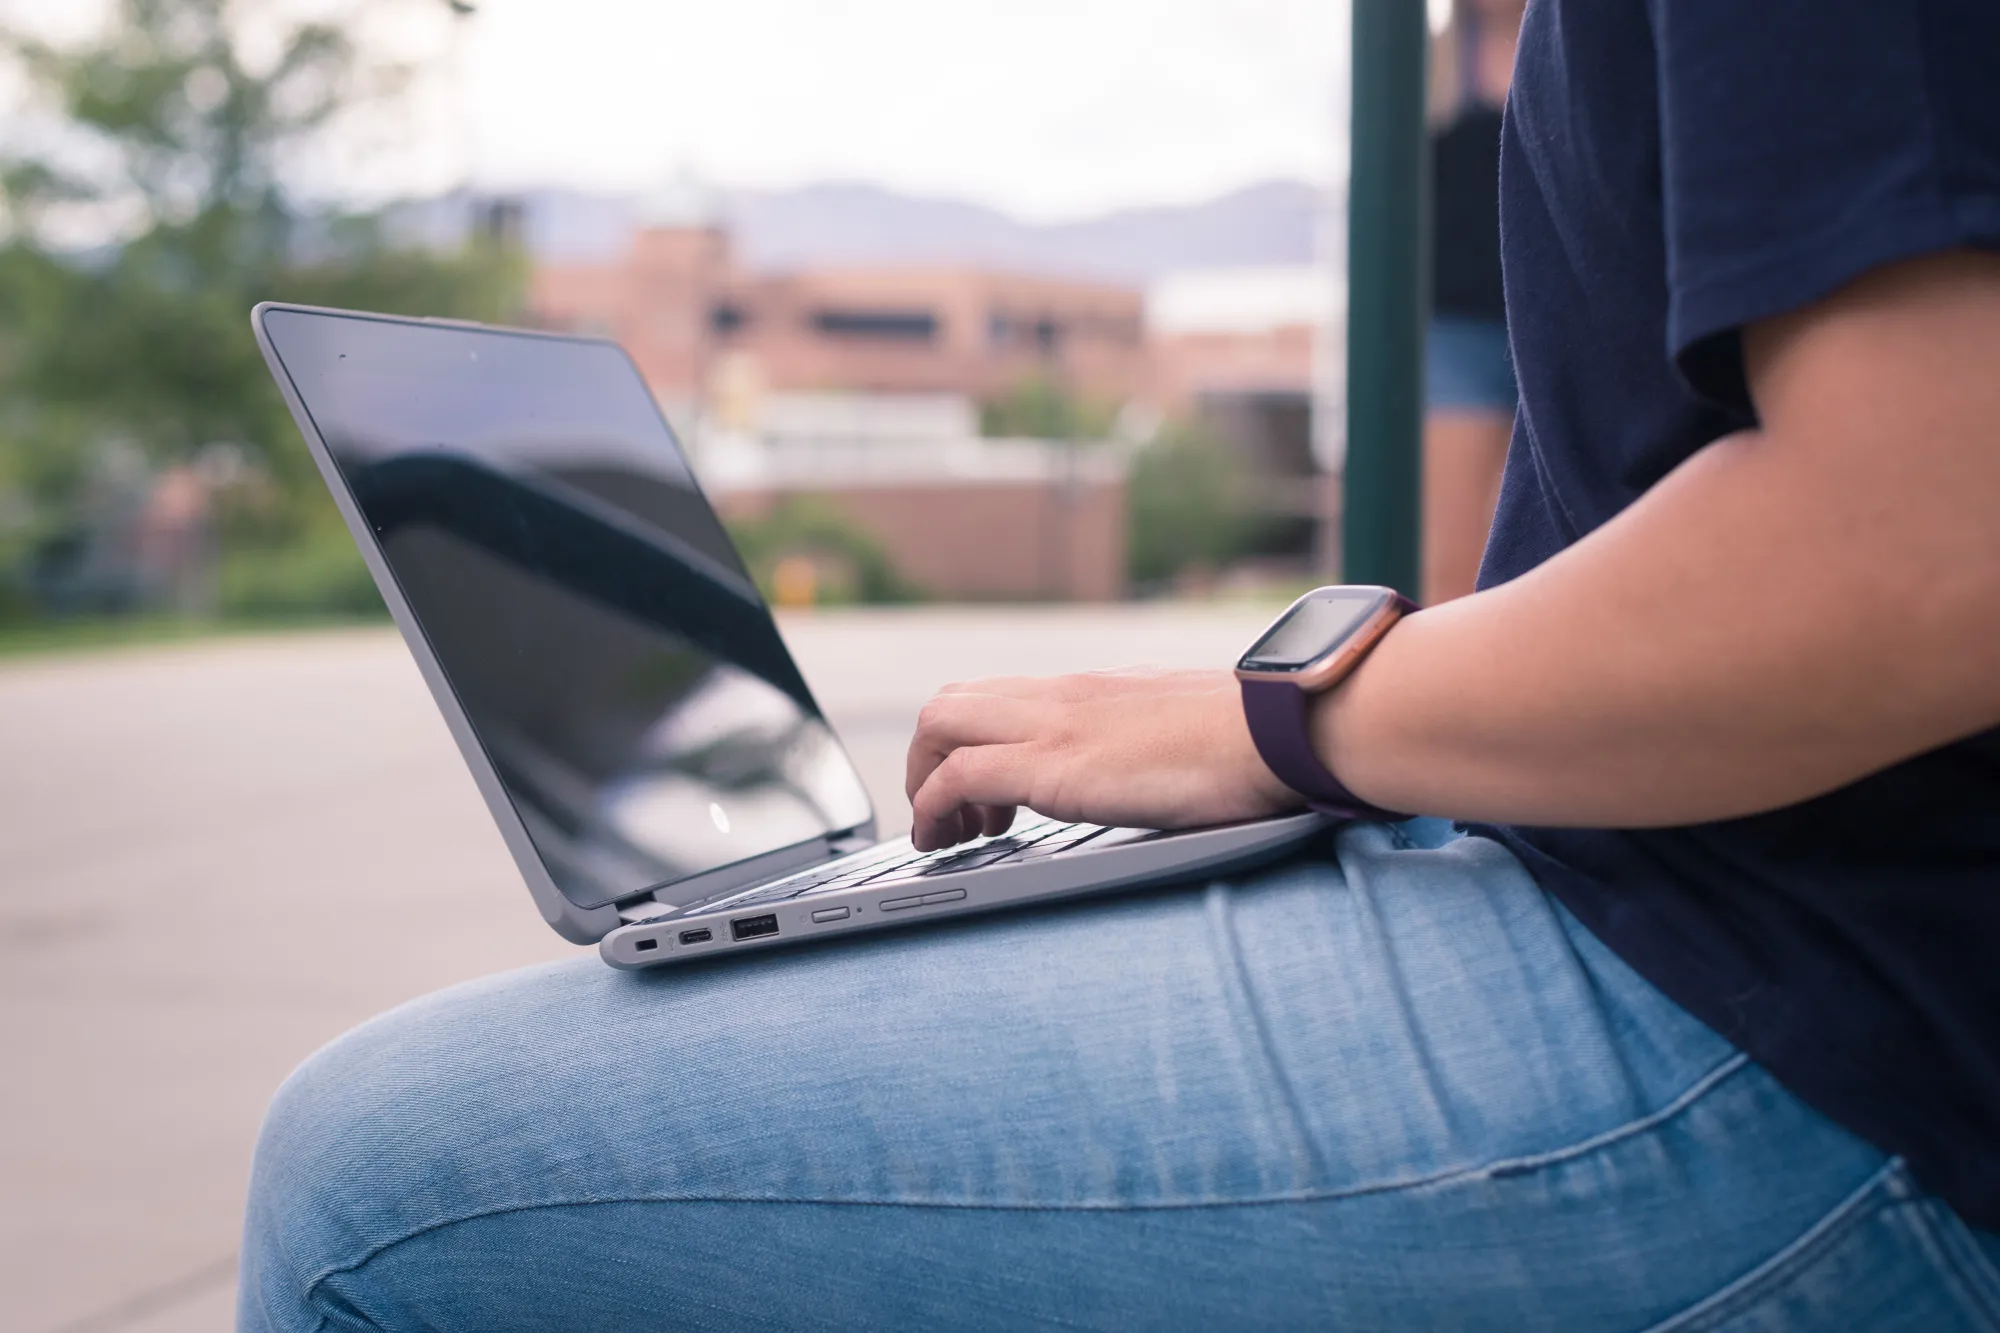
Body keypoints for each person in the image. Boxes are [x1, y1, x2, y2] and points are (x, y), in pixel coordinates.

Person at [237, 3, 2000, 1328]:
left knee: (380, 1176)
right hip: (1732, 931)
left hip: (1824, 1038)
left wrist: (1293, 721)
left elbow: (1924, 546)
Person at [1422, 0, 1524, 605]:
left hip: (1557, 319)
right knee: (1452, 559)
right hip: (1458, 333)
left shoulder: (1578, 50)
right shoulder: (1434, 65)